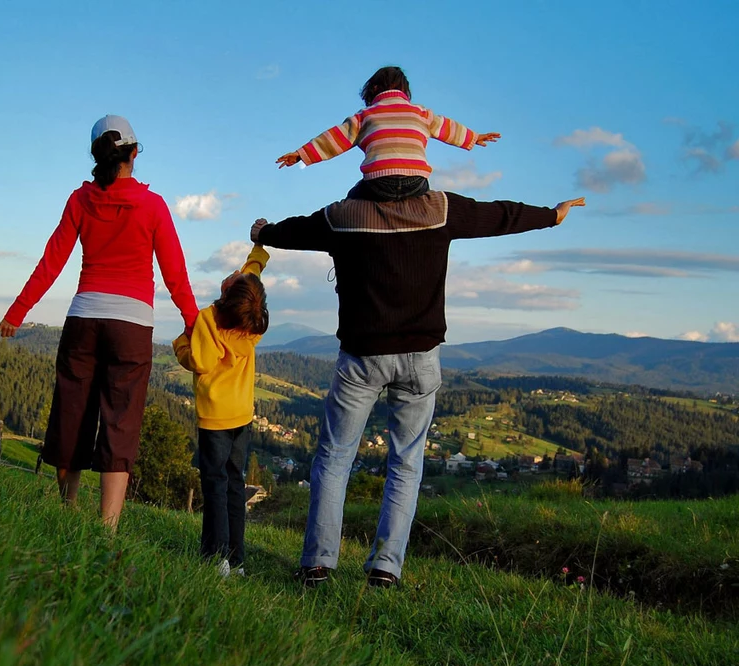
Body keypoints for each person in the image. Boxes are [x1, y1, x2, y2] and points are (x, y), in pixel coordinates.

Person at [251, 191, 586, 587]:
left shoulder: (345, 214)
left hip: (361, 355)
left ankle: (317, 564)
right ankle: (385, 568)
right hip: (420, 357)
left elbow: (297, 231)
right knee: (406, 464)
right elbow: (497, 216)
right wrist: (551, 214)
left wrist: (265, 232)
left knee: (335, 457)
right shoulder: (440, 208)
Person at [0, 115, 199, 531]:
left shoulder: (79, 200)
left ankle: (67, 511)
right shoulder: (153, 205)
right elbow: (175, 272)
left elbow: (52, 261)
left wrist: (17, 313)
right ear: (134, 153)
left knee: (72, 413)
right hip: (133, 325)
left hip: (84, 318)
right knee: (120, 423)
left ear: (96, 155)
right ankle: (106, 530)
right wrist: (194, 322)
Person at [172, 244, 270, 577]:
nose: (235, 274)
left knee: (214, 484)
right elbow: (251, 276)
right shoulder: (250, 320)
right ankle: (237, 559)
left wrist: (180, 344)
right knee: (234, 484)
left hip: (214, 418)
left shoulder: (209, 321)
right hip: (242, 415)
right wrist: (258, 250)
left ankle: (216, 558)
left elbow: (198, 361)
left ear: (227, 294)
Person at [276, 66, 500, 202]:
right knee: (427, 199)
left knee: (352, 199)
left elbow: (334, 139)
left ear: (373, 88)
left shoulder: (365, 116)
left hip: (378, 183)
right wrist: (474, 137)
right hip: (417, 183)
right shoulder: (421, 113)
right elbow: (448, 128)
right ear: (405, 91)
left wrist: (301, 154)